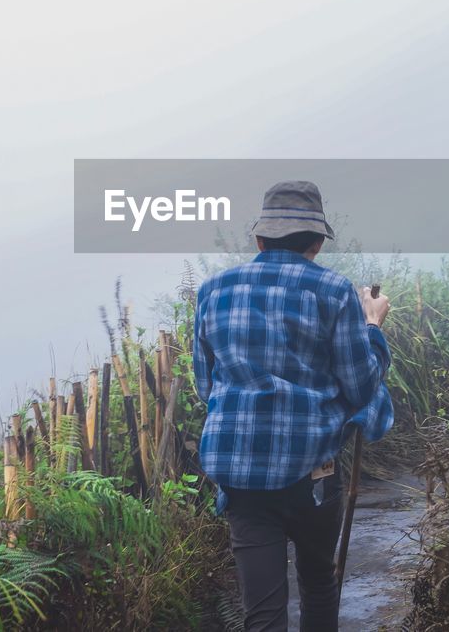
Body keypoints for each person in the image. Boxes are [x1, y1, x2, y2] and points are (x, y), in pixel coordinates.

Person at [192, 180, 393, 632]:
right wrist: (373, 325)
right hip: (313, 475)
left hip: (240, 473)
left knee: (261, 612)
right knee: (319, 585)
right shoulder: (334, 291)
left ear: (259, 239)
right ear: (318, 242)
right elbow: (361, 387)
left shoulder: (212, 289)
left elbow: (207, 386)